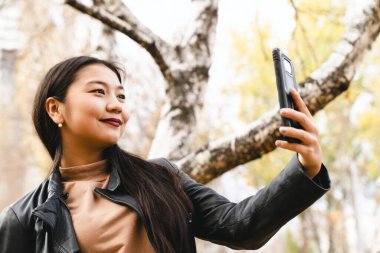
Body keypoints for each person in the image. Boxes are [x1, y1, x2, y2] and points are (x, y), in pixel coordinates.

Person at [0, 56, 330, 253]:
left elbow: (241, 226)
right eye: (99, 92)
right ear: (56, 109)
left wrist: (306, 167)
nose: (116, 104)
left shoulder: (161, 178)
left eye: (121, 95)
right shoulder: (23, 219)